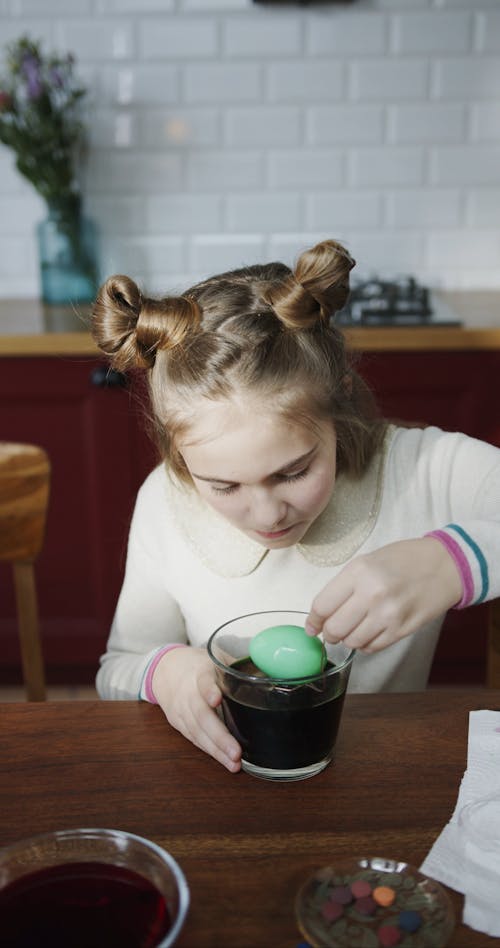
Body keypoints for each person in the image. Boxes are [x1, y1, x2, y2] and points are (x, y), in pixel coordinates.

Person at [91, 238, 500, 773]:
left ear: (340, 403)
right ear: (175, 450)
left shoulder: (421, 471)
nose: (267, 515)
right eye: (222, 485)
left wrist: (453, 562)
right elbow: (115, 669)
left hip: (391, 779)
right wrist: (164, 672)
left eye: (293, 472)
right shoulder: (165, 503)